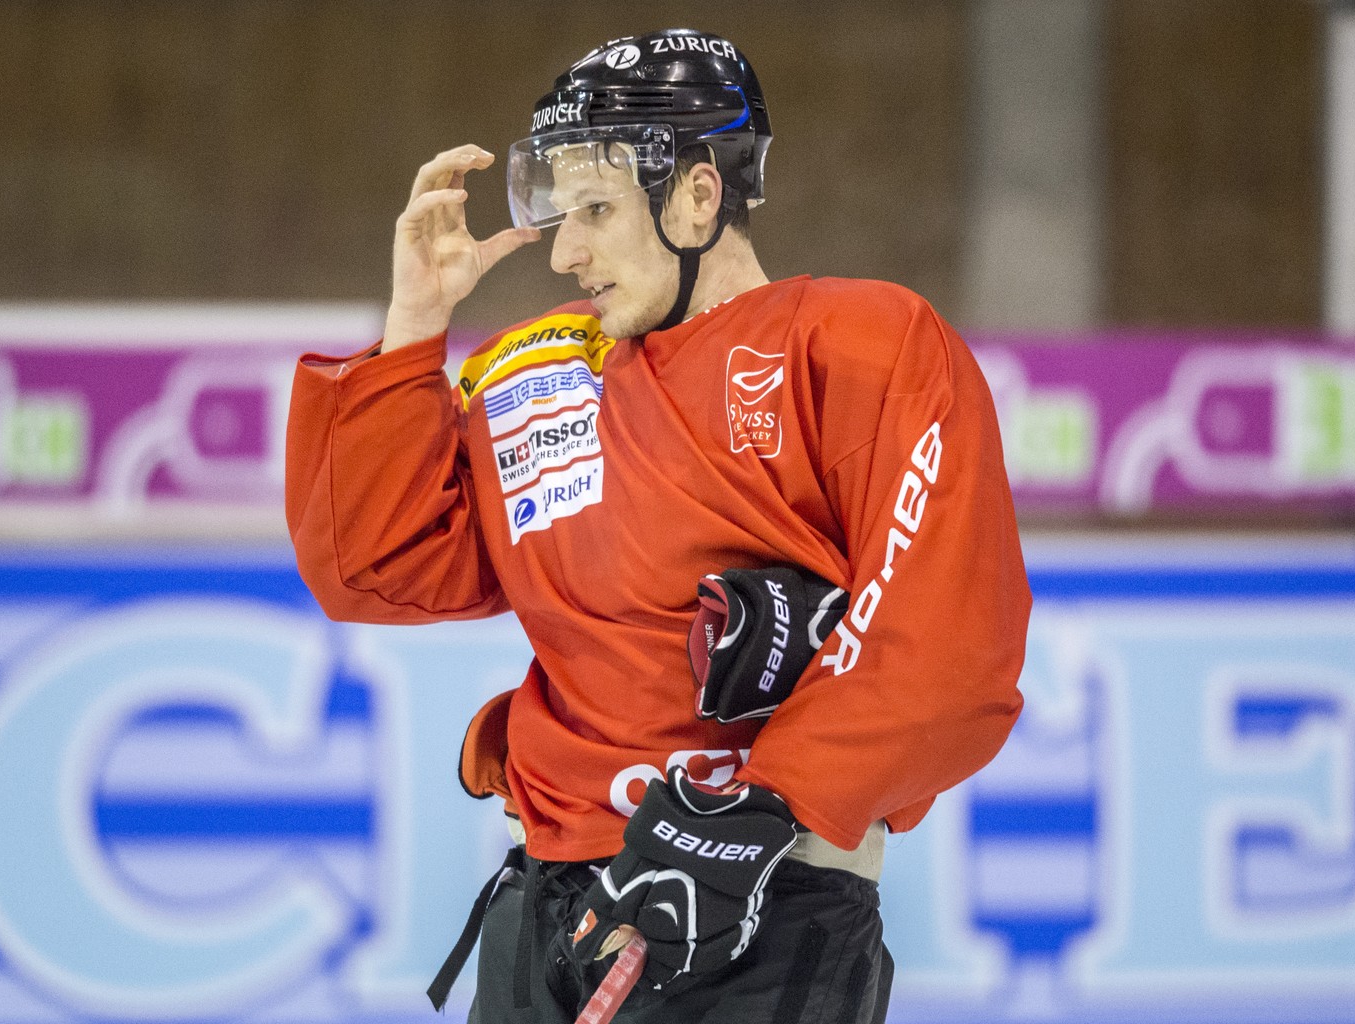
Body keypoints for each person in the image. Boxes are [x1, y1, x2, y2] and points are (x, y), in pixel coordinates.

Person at [285, 27, 1031, 1024]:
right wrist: (415, 327)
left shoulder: (865, 347)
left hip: (764, 905)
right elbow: (375, 567)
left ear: (697, 197)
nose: (564, 248)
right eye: (560, 210)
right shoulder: (533, 376)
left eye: (595, 209)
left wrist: (763, 810)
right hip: (553, 915)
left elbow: (947, 645)